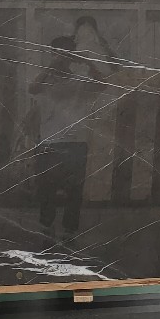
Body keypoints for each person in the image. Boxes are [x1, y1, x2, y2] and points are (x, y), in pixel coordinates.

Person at [30, 35, 104, 236]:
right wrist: (52, 65)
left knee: (74, 190)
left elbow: (102, 84)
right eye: (59, 53)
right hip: (49, 140)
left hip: (75, 141)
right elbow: (32, 88)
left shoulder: (79, 80)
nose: (63, 57)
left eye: (67, 53)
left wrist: (87, 62)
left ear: (72, 56)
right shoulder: (45, 80)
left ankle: (70, 230)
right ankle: (46, 227)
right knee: (46, 188)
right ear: (52, 54)